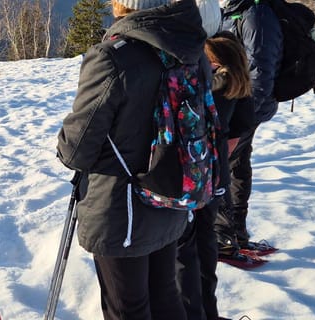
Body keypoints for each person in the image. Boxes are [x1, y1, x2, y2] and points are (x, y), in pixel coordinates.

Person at [56, 0, 210, 318]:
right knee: (166, 295)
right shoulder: (190, 47)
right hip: (173, 194)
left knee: (128, 308)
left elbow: (76, 149)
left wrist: (64, 144)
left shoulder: (113, 57)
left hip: (121, 208)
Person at [175, 4, 258, 317]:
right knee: (205, 244)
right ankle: (207, 310)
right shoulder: (234, 66)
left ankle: (192, 311)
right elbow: (241, 126)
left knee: (184, 251)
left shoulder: (200, 66)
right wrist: (218, 155)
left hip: (190, 175)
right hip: (214, 174)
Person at [217, 0, 283, 253]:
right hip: (235, 107)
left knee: (225, 167)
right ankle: (235, 233)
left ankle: (224, 236)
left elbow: (260, 69)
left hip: (246, 108)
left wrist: (243, 117)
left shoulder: (256, 15)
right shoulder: (231, 11)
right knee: (236, 166)